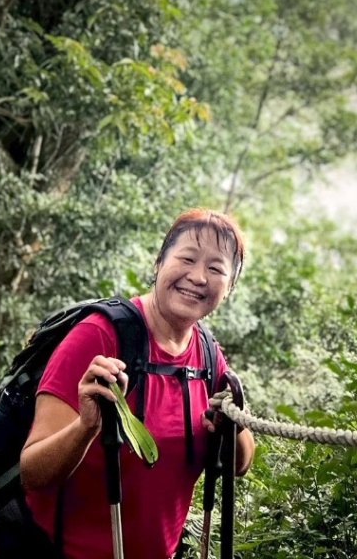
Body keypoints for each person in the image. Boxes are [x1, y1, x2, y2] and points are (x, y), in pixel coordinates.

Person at [19, 208, 255, 559]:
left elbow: (241, 464)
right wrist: (87, 425)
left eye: (216, 268)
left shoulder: (207, 355)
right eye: (187, 258)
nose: (198, 276)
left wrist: (230, 429)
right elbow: (32, 473)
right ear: (159, 262)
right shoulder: (99, 336)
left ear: (229, 287)